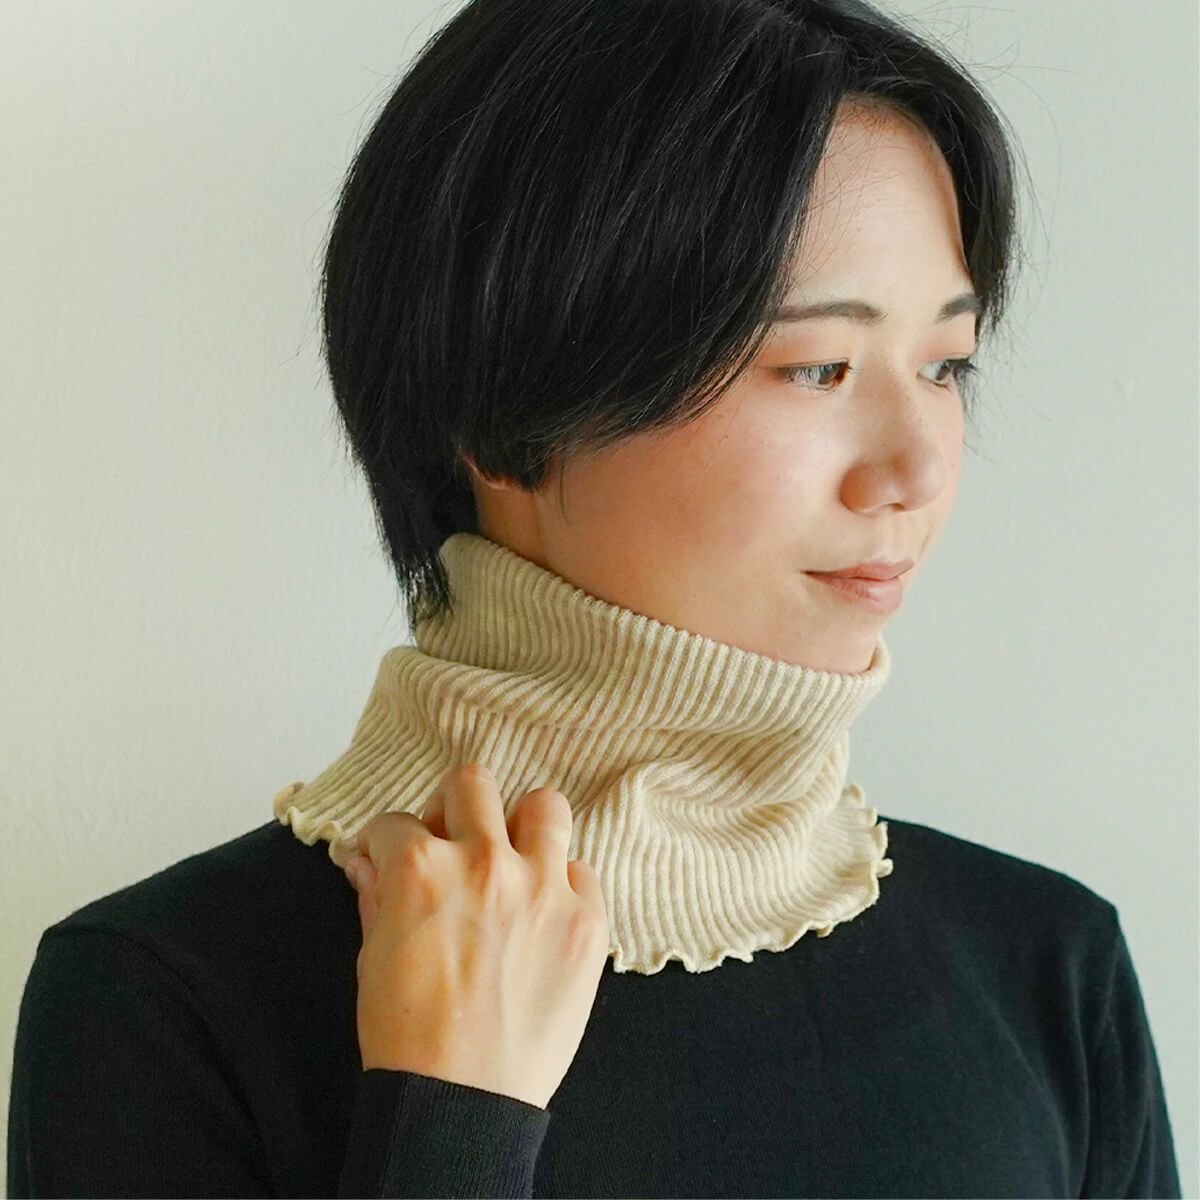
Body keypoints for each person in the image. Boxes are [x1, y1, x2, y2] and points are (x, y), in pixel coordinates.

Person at [7, 0, 1182, 1197]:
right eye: (817, 367)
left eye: (944, 365)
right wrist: (451, 1118)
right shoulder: (164, 997)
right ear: (506, 409)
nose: (919, 470)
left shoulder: (1047, 966)